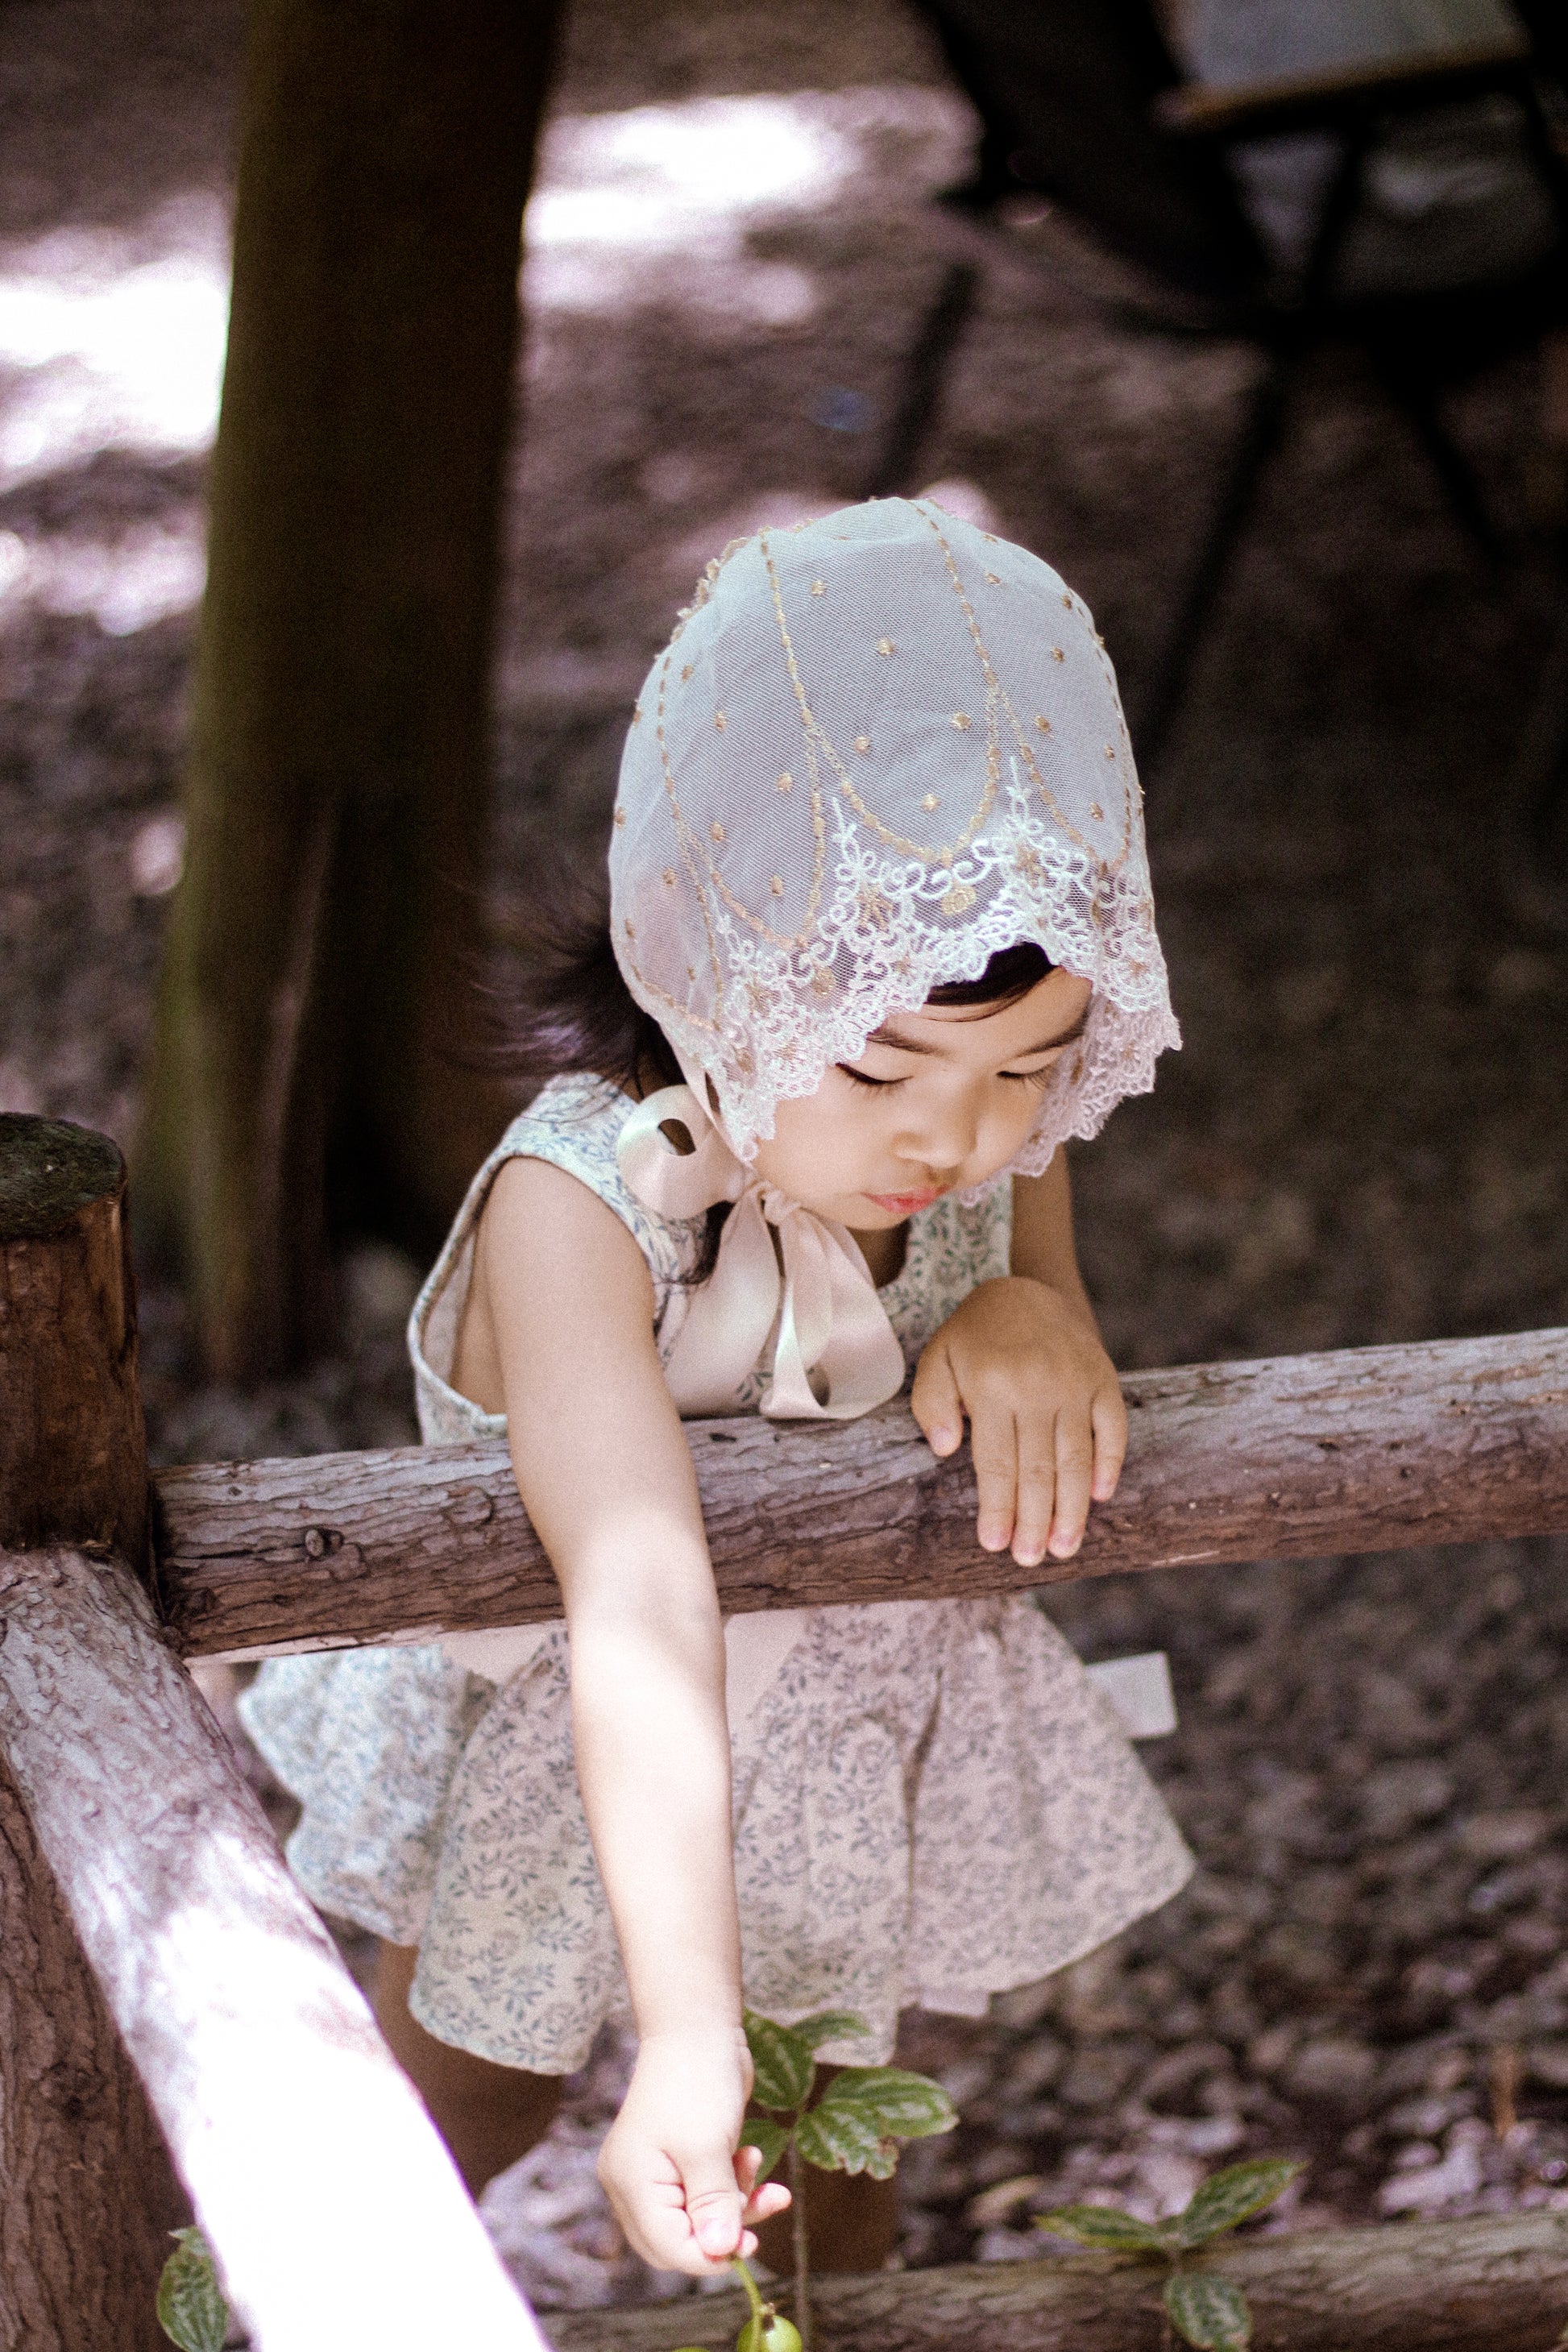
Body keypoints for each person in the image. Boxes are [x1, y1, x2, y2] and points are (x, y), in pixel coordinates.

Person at [240, 495, 1194, 2279]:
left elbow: (1021, 1218)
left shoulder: (976, 1130)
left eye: (1036, 1064)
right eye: (887, 1063)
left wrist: (1039, 1308)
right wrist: (679, 2022)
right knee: (458, 2102)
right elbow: (638, 1587)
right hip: (581, 1732)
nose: (960, 1136)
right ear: (723, 951)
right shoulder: (582, 1205)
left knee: (833, 2139)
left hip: (850, 1730)